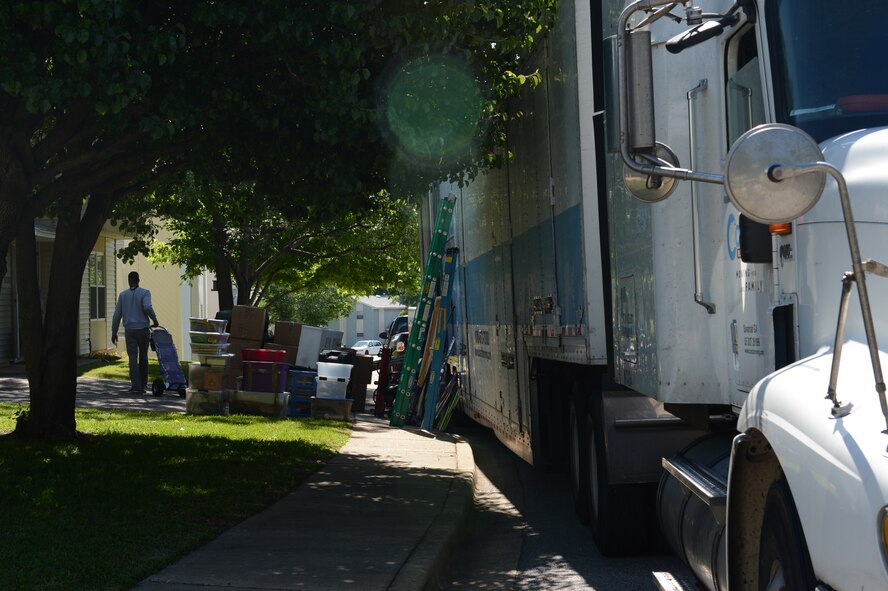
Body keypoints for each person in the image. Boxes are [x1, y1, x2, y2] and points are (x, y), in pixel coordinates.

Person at [111, 271, 159, 392]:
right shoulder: (145, 293)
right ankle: (143, 384)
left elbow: (117, 315)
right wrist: (154, 319)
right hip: (143, 329)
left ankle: (135, 385)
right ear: (138, 280)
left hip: (130, 330)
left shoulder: (123, 295)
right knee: (143, 356)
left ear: (129, 281)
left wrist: (114, 332)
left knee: (132, 357)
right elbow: (147, 307)